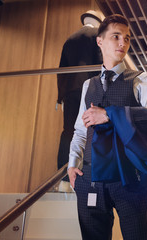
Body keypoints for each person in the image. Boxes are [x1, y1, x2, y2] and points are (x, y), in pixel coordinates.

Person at [67, 14, 147, 240]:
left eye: (127, 38)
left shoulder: (142, 80)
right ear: (100, 41)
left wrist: (109, 115)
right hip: (89, 178)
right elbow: (80, 131)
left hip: (130, 179)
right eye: (116, 36)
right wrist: (72, 166)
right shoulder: (87, 85)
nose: (123, 43)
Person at [56, 10, 103, 192]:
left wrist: (60, 97)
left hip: (69, 92)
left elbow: (61, 70)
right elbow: (100, 65)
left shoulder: (70, 39)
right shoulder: (97, 36)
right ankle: (86, 176)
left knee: (68, 132)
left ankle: (63, 179)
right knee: (89, 130)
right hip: (88, 89)